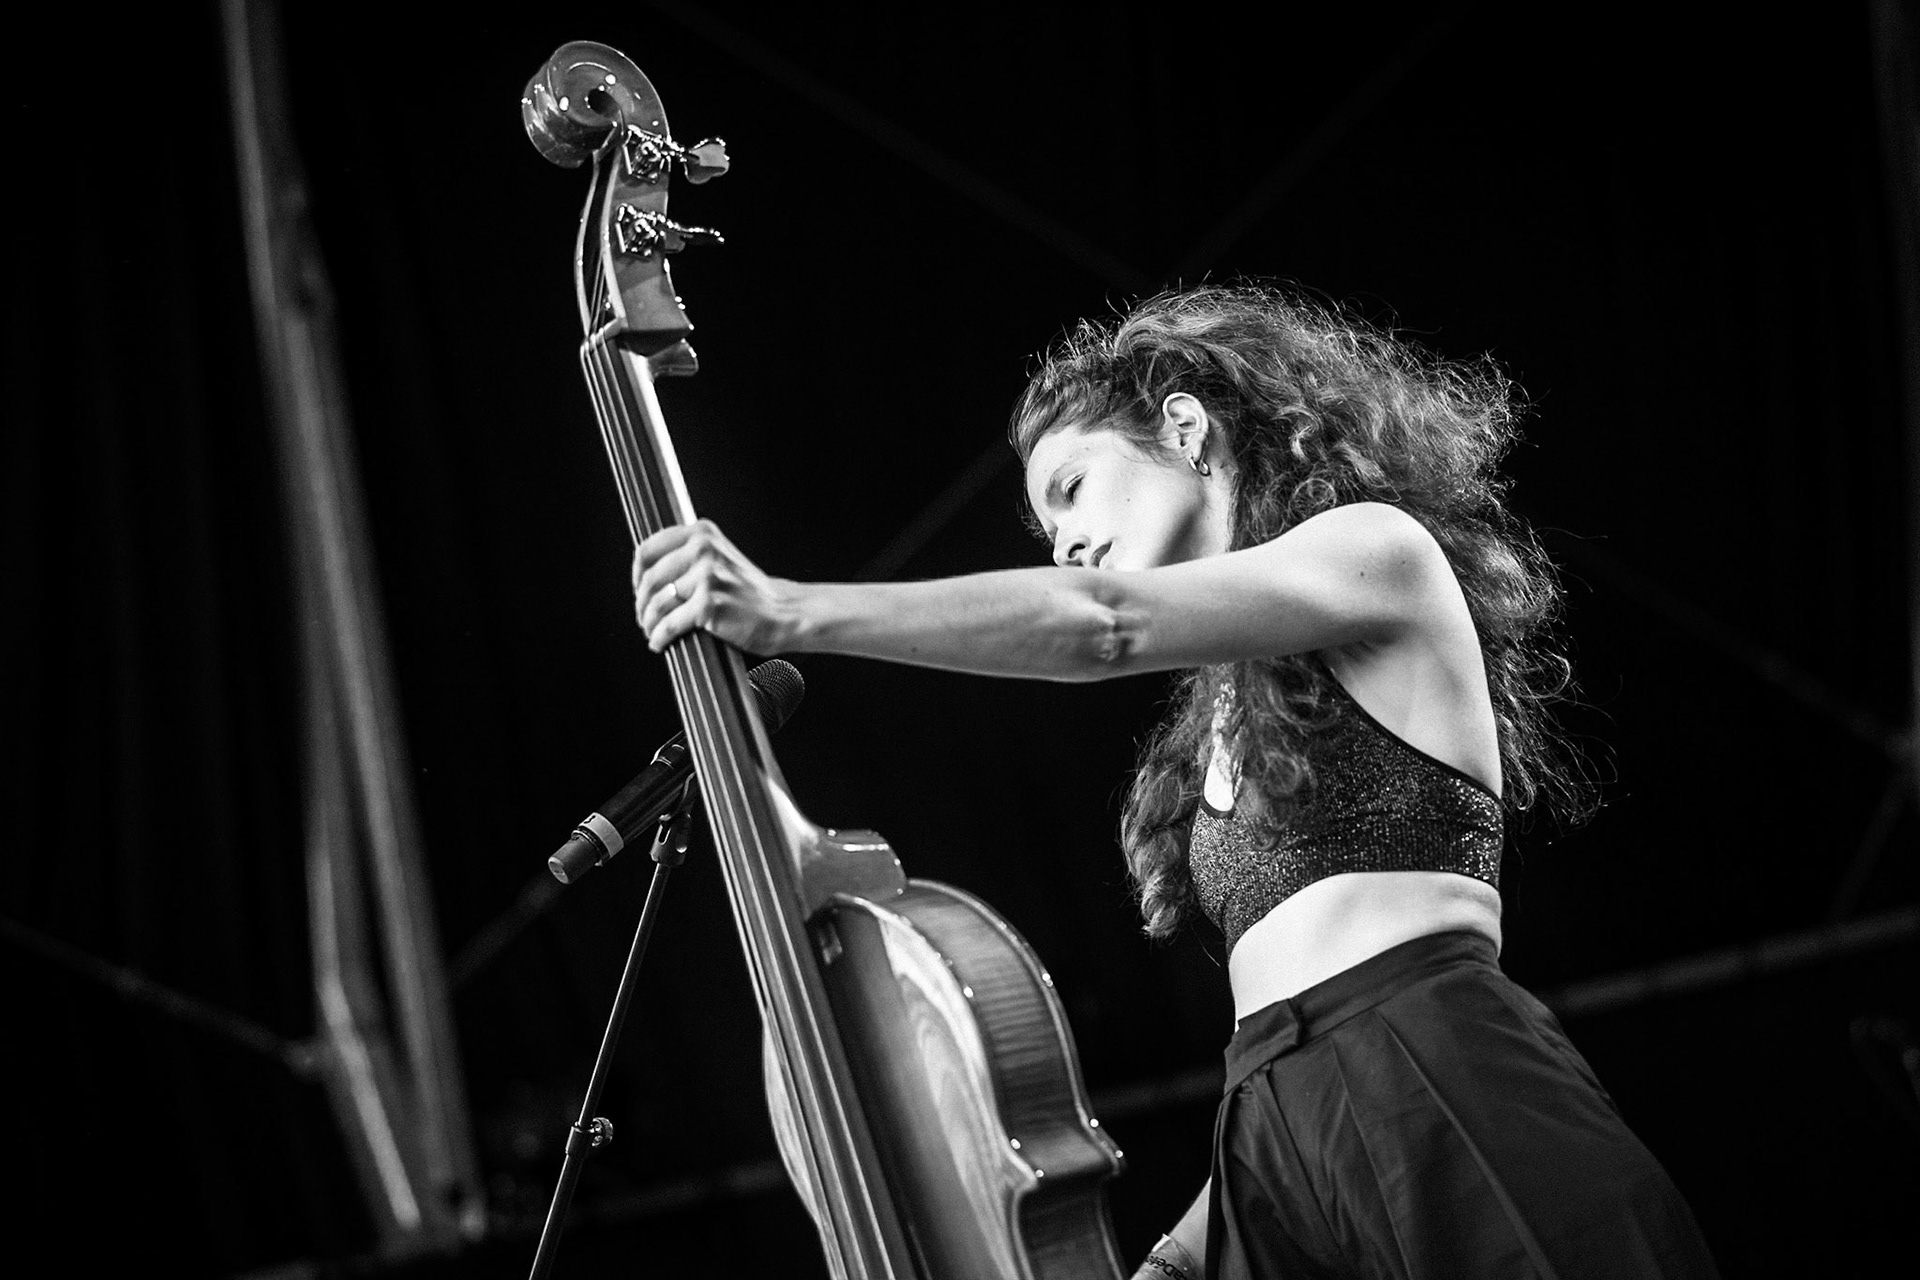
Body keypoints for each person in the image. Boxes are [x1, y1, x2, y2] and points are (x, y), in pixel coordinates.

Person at [631, 283, 1718, 1278]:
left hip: (1442, 1075)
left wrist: (791, 610)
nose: (1062, 543)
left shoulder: (1376, 549)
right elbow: (1293, 1059)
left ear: (1186, 427)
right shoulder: (1232, 705)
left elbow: (1106, 629)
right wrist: (1189, 1247)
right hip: (1277, 1140)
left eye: (1070, 489)